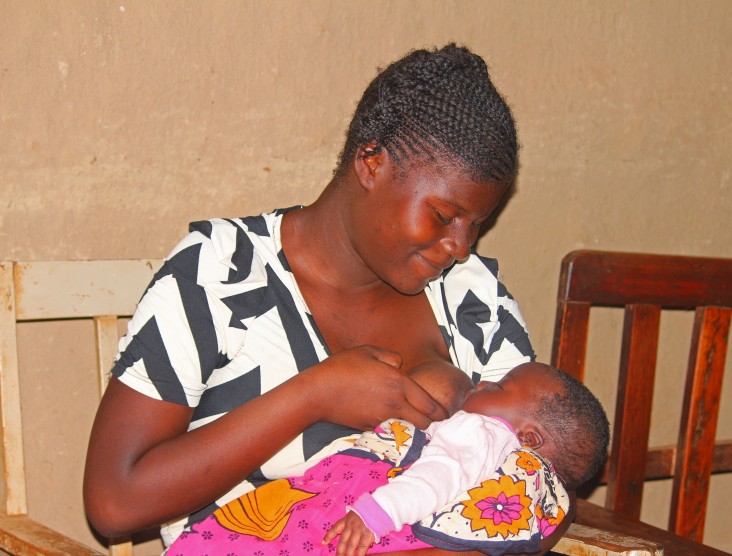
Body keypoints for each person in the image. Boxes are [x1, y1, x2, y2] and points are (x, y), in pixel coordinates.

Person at [83, 44, 553, 555]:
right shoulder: (222, 272)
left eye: (476, 224)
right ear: (371, 163)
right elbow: (114, 501)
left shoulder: (471, 297)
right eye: (443, 216)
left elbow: (544, 477)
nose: (461, 247)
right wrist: (313, 396)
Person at [165, 362, 609, 555]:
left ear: (528, 438)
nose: (485, 381)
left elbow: (441, 473)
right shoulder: (523, 486)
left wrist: (377, 513)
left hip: (371, 513)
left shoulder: (484, 433)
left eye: (499, 387)